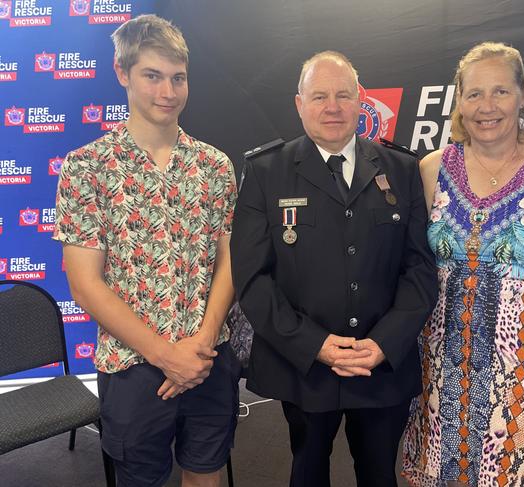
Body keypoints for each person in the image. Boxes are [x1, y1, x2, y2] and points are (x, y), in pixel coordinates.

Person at [230, 50, 438, 487]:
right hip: (305, 364)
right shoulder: (266, 171)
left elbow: (420, 269)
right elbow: (252, 278)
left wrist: (384, 343)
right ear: (299, 104)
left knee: (380, 474)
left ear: (360, 101)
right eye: (319, 95)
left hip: (380, 364)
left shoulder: (401, 169)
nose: (332, 106)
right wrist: (314, 345)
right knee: (307, 470)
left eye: (343, 95)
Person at [53, 14, 239, 487]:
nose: (168, 92)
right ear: (122, 73)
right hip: (133, 366)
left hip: (207, 358)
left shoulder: (215, 166)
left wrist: (198, 345)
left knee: (206, 473)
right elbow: (84, 283)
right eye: (152, 76)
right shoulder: (87, 168)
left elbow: (230, 261)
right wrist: (163, 354)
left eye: (178, 78)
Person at [402, 42, 524, 486]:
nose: (487, 107)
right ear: (460, 101)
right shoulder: (432, 168)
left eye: (500, 92)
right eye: (474, 94)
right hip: (444, 365)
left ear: (523, 94)